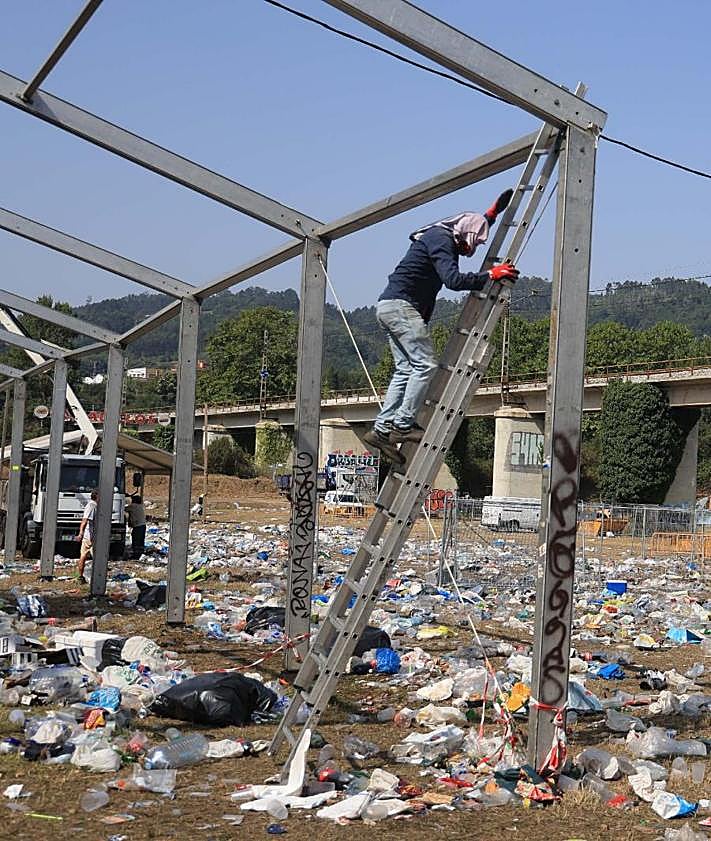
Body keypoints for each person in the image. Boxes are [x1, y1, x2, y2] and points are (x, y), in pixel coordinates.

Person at [363, 191, 519, 464]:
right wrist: (490, 275)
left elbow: (475, 225)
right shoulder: (441, 239)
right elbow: (453, 280)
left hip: (388, 306)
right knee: (425, 365)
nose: (474, 249)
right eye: (476, 243)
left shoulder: (444, 235)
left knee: (405, 369)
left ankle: (381, 430)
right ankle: (402, 424)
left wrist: (492, 214)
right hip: (402, 307)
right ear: (465, 234)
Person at [76, 490, 98, 584]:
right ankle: (94, 578)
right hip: (91, 536)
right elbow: (84, 521)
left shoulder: (93, 505)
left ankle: (81, 577)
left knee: (84, 556)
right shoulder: (92, 506)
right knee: (87, 556)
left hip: (89, 535)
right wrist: (81, 533)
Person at [126, 494, 147, 560]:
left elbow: (123, 508)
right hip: (143, 525)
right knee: (141, 541)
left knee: (136, 541)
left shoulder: (133, 506)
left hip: (137, 526)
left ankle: (136, 556)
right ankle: (140, 554)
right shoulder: (140, 506)